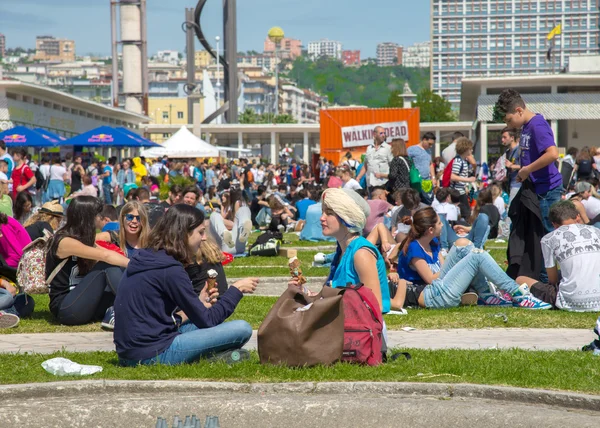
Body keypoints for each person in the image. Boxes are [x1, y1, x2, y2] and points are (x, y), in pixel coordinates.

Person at [114, 204, 256, 366]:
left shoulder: (148, 257)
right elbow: (208, 320)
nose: (204, 238)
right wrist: (236, 290)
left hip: (130, 350)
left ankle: (211, 357)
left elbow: (159, 317)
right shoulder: (171, 269)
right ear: (184, 234)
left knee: (210, 329)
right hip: (151, 353)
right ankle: (209, 358)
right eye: (200, 232)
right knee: (242, 328)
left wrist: (200, 302)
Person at [393, 207, 551, 309]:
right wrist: (463, 266)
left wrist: (461, 265)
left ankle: (485, 293)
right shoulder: (414, 249)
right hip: (434, 291)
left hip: (440, 286)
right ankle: (517, 294)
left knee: (463, 244)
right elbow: (431, 279)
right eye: (440, 223)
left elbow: (443, 268)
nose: (443, 226)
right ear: (430, 229)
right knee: (477, 256)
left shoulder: (433, 243)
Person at [291, 188, 390, 316]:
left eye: (329, 213)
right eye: (323, 212)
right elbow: (325, 296)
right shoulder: (342, 251)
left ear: (347, 217)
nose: (322, 218)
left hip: (362, 332)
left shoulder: (361, 254)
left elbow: (375, 305)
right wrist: (302, 290)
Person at [46, 196, 129, 326]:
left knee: (117, 268)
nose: (99, 218)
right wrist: (136, 265)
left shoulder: (83, 239)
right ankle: (137, 307)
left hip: (85, 301)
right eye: (97, 215)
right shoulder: (64, 241)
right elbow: (106, 256)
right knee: (106, 266)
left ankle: (117, 312)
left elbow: (112, 255)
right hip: (67, 309)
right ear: (87, 217)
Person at [495, 88, 562, 233]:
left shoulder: (537, 125)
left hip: (547, 191)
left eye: (509, 120)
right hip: (535, 188)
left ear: (519, 110)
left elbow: (552, 154)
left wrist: (527, 169)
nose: (509, 125)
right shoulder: (526, 126)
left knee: (549, 232)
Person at [516, 201, 600, 311]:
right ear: (578, 216)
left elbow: (553, 280)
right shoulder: (596, 231)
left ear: (554, 224)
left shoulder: (549, 239)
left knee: (520, 279)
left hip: (570, 301)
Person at [209, 189, 253, 254]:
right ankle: (239, 229)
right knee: (245, 209)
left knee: (214, 215)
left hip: (229, 244)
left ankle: (240, 230)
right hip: (238, 246)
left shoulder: (233, 205)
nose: (222, 197)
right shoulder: (228, 207)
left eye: (224, 196)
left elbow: (227, 222)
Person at [356, 126, 393, 192]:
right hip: (370, 184)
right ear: (374, 134)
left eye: (384, 133)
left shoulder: (388, 148)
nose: (383, 135)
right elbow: (365, 165)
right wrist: (358, 177)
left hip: (383, 184)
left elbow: (392, 166)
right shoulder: (369, 148)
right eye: (381, 133)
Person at [449, 137, 476, 221]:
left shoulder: (463, 161)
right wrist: (468, 180)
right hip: (457, 192)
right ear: (465, 149)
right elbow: (452, 176)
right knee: (466, 213)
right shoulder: (458, 161)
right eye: (470, 149)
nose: (471, 151)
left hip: (460, 191)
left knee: (465, 213)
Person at [500, 127, 522, 205]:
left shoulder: (520, 150)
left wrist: (512, 166)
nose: (502, 140)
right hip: (511, 184)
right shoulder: (508, 152)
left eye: (505, 137)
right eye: (502, 137)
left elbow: (527, 166)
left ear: (512, 138)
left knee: (510, 210)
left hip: (518, 185)